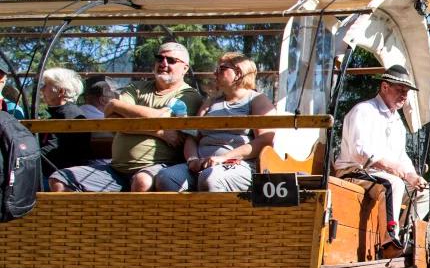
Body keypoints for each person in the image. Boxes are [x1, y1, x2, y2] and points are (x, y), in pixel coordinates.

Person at [48, 42, 202, 192]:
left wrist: (118, 107)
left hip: (158, 167)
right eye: (159, 58)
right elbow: (113, 121)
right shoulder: (136, 87)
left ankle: (132, 218)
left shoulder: (188, 95)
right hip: (115, 169)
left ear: (185, 68)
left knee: (142, 181)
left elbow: (163, 119)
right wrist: (158, 132)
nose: (163, 63)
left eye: (171, 60)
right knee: (60, 180)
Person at [332, 63, 430, 244]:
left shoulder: (397, 122)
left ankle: (404, 236)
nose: (404, 95)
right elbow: (360, 154)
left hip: (380, 178)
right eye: (400, 89)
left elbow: (401, 157)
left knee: (427, 193)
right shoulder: (363, 111)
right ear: (385, 87)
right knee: (393, 183)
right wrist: (396, 170)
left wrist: (413, 176)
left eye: (407, 91)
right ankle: (389, 241)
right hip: (353, 173)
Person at [154, 52, 274, 192]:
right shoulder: (210, 102)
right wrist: (192, 159)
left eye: (221, 69)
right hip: (202, 165)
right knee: (166, 178)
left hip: (238, 165)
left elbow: (265, 140)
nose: (215, 73)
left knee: (210, 179)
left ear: (239, 73)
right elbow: (192, 136)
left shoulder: (257, 100)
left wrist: (224, 158)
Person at [37, 67, 93, 175]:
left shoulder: (69, 116)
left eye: (46, 85)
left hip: (62, 176)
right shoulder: (62, 114)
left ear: (61, 91)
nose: (41, 89)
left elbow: (51, 152)